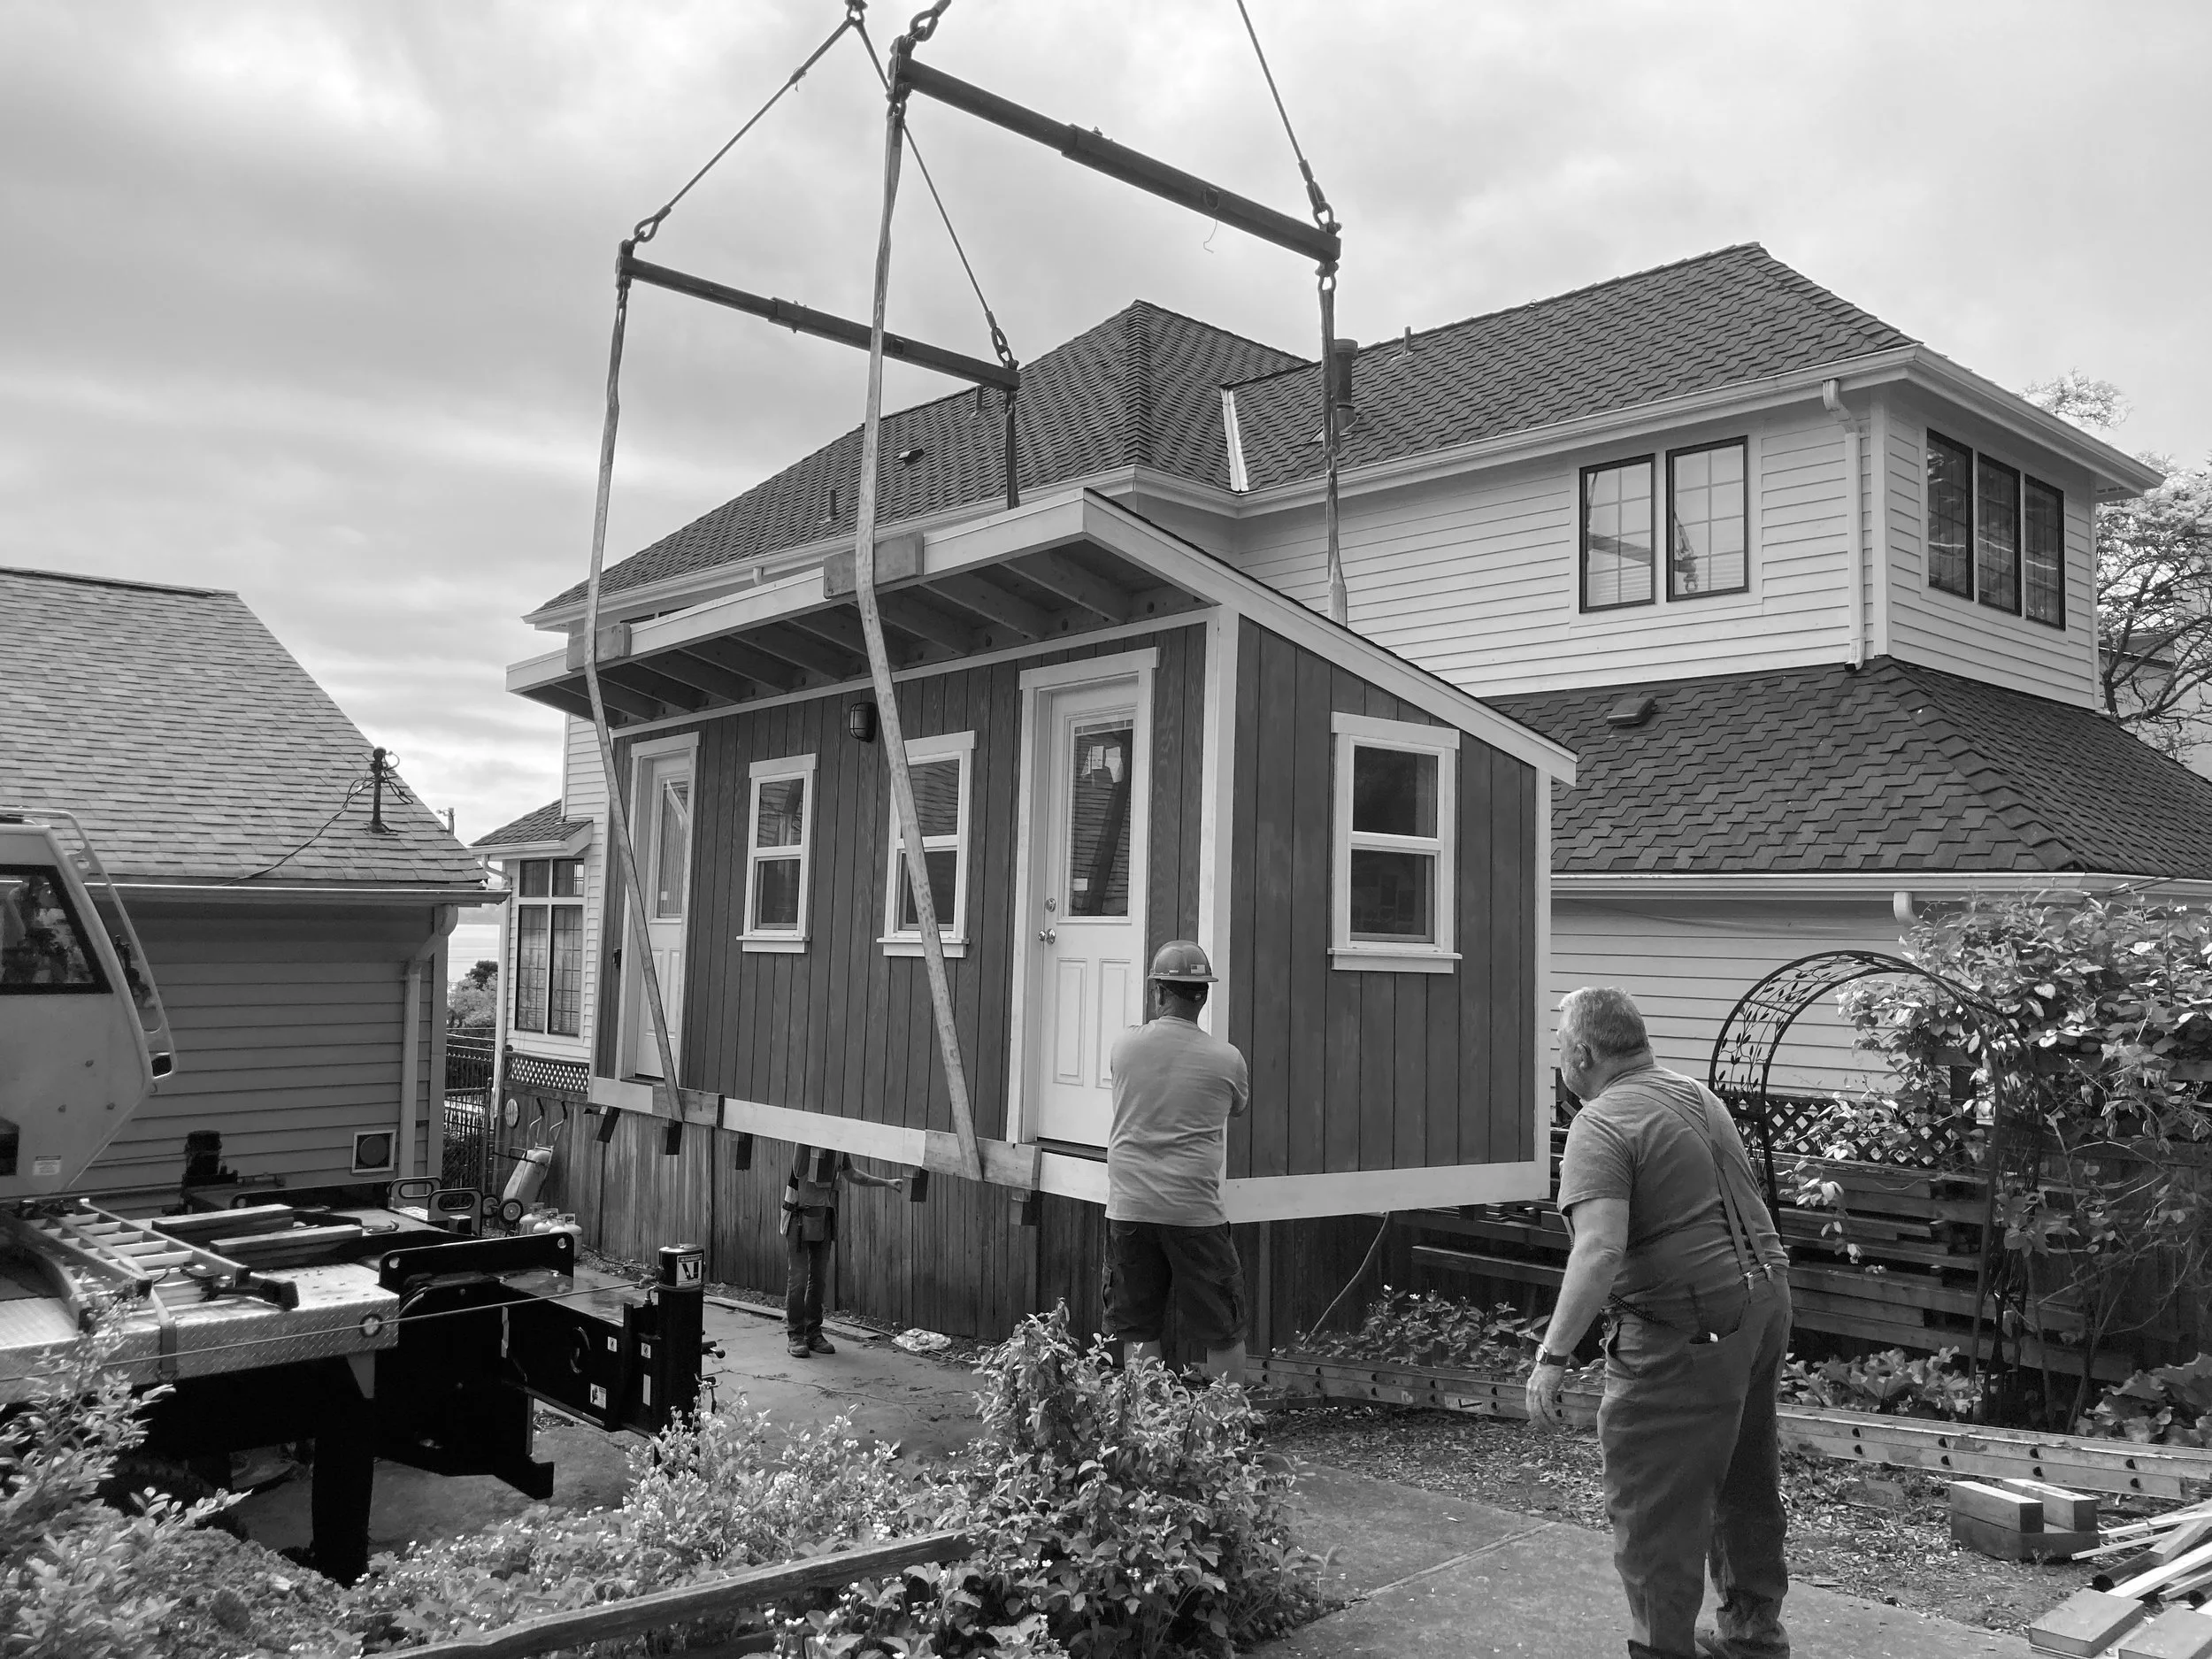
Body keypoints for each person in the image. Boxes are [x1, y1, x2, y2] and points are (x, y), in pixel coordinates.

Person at [1525, 987, 1793, 1659]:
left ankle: (1661, 1647)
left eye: (1561, 1046)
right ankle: (1754, 1635)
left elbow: (1599, 1249)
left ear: (1583, 1052)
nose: (1559, 1059)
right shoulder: (1699, 1096)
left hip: (1685, 1331)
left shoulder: (1602, 1122)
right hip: (1763, 1306)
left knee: (1654, 1504)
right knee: (1744, 1478)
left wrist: (1552, 1355)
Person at [1103, 939, 1251, 1386]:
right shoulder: (1228, 1061)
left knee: (1138, 1325)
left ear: (1157, 992)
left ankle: (1151, 1429)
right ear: (1203, 996)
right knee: (1222, 1330)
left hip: (1130, 1208)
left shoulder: (1124, 1047)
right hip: (1194, 1212)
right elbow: (1238, 1107)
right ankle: (1225, 1428)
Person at [781, 1145, 903, 1359]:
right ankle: (795, 1335)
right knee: (798, 1279)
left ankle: (813, 1333)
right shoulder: (804, 1142)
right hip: (798, 1217)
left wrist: (886, 1183)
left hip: (824, 1217)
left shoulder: (838, 1148)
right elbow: (800, 1171)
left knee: (818, 1279)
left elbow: (853, 1175)